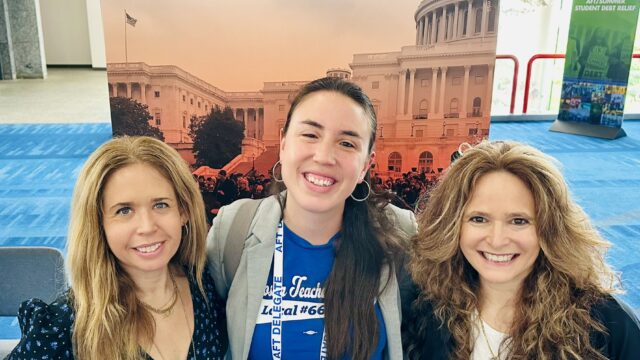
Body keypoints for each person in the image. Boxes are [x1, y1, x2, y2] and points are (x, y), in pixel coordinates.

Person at [207, 77, 417, 360]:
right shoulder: (233, 231)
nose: (324, 156)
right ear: (283, 143)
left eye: (346, 143)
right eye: (310, 135)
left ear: (366, 164)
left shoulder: (399, 236)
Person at [404, 141, 640, 359]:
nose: (497, 240)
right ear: (452, 225)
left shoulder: (606, 327)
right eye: (478, 219)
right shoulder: (426, 306)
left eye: (519, 221)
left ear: (550, 228)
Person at [8, 136, 227, 360]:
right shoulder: (66, 324)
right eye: (124, 210)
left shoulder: (206, 289)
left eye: (160, 205)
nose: (147, 227)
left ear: (183, 211)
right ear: (98, 223)